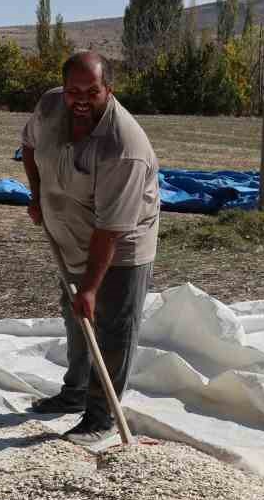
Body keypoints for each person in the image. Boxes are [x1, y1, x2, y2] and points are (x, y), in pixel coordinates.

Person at [20, 50, 160, 441]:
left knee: (112, 326)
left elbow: (110, 230)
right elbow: (29, 147)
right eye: (73, 90)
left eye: (92, 91)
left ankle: (101, 418)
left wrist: (92, 287)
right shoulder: (50, 106)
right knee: (76, 316)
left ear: (108, 90)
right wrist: (36, 195)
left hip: (121, 242)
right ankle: (76, 392)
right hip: (71, 231)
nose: (81, 99)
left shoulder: (124, 146)